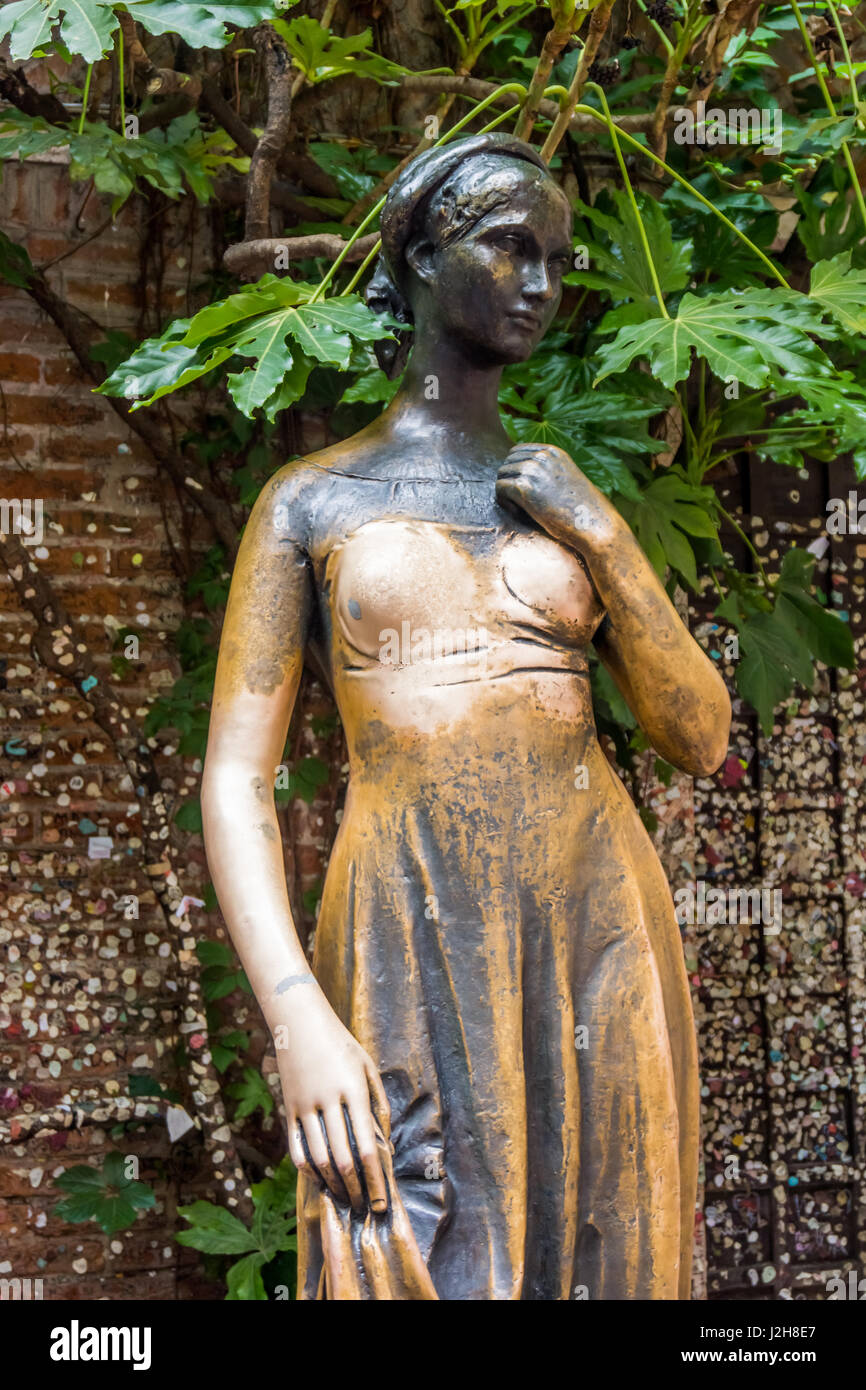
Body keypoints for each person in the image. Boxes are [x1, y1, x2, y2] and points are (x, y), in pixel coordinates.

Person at [201, 132, 731, 1301]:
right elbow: (237, 778)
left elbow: (699, 737)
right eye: (507, 247)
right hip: (404, 919)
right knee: (394, 1229)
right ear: (421, 258)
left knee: (605, 1249)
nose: (539, 284)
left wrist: (603, 536)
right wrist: (296, 1016)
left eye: (556, 258)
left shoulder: (562, 503)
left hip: (592, 926)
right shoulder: (313, 499)